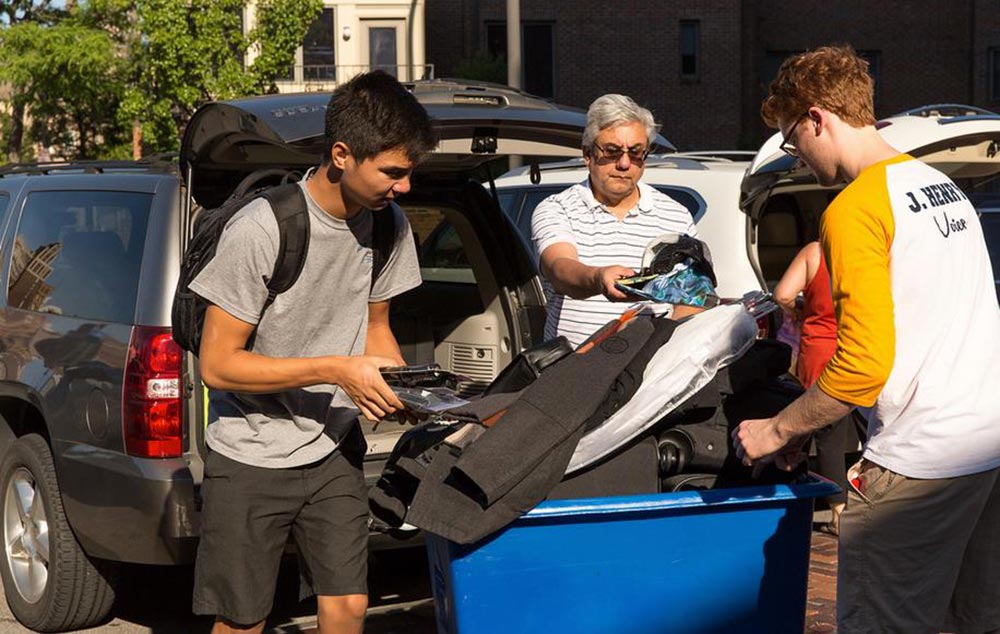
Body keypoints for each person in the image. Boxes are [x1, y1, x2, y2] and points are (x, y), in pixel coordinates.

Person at [732, 45, 1000, 633]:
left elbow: (861, 367)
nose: (796, 156)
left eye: (790, 138)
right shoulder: (940, 186)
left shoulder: (854, 209)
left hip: (921, 463)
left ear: (817, 118)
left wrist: (774, 429)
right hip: (985, 450)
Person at [189, 71, 435, 634]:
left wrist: (403, 387)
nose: (404, 188)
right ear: (343, 154)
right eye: (393, 172)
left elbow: (377, 326)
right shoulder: (263, 228)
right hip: (249, 456)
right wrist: (335, 370)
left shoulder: (388, 224)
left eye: (409, 172)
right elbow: (218, 365)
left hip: (332, 448)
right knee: (244, 619)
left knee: (347, 604)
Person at [530, 94, 699, 348]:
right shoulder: (557, 208)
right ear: (588, 154)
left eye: (636, 153)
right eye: (612, 151)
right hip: (570, 373)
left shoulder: (676, 215)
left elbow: (690, 298)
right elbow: (560, 269)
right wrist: (598, 278)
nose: (624, 163)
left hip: (648, 373)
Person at [773, 240, 849, 535]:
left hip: (819, 352)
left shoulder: (814, 252)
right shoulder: (871, 249)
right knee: (852, 432)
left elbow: (783, 294)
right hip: (859, 349)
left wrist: (797, 310)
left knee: (816, 434)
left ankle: (838, 513)